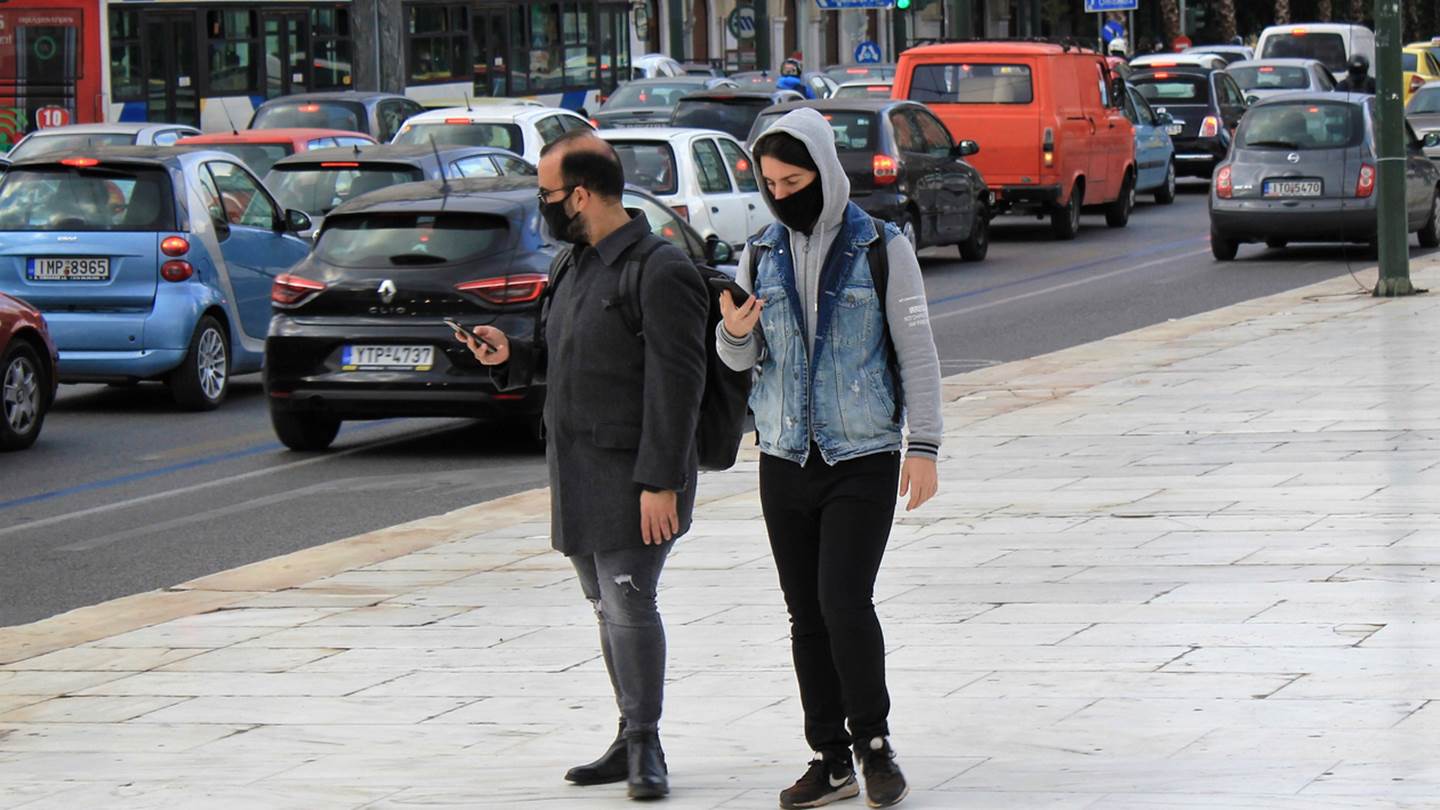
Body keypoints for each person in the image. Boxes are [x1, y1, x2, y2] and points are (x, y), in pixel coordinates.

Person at [456, 129, 709, 800]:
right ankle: (628, 735)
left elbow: (678, 387)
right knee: (603, 605)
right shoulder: (570, 265)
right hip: (574, 470)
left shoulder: (660, 270)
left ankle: (647, 742)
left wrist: (662, 482)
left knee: (629, 603)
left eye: (545, 195)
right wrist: (506, 358)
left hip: (636, 477)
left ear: (581, 194)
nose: (541, 207)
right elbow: (561, 360)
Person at [714, 107, 942, 809]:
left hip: (862, 453)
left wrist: (925, 446)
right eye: (771, 182)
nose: (782, 194)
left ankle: (874, 745)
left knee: (844, 601)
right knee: (804, 613)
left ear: (824, 172)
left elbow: (916, 350)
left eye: (794, 179)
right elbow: (744, 362)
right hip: (783, 455)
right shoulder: (759, 253)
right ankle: (829, 756)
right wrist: (732, 333)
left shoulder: (881, 246)